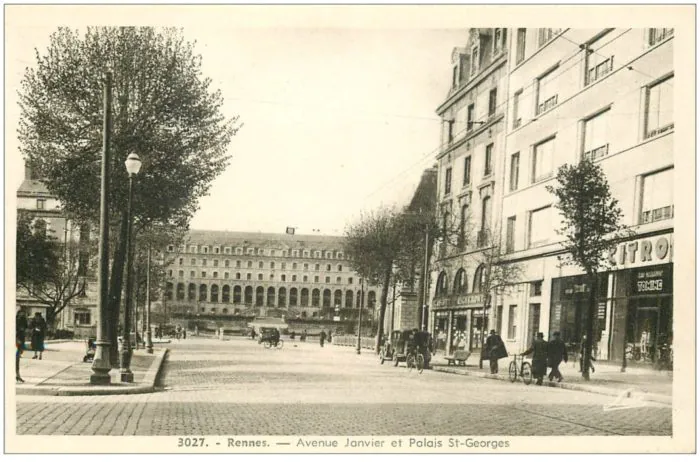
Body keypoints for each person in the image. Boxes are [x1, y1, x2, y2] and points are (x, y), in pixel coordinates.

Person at [16, 311, 28, 382]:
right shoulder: (16, 321)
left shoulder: (23, 321)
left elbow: (25, 329)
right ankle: (17, 375)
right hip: (17, 340)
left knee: (17, 359)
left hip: (21, 340)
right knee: (16, 359)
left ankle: (17, 375)